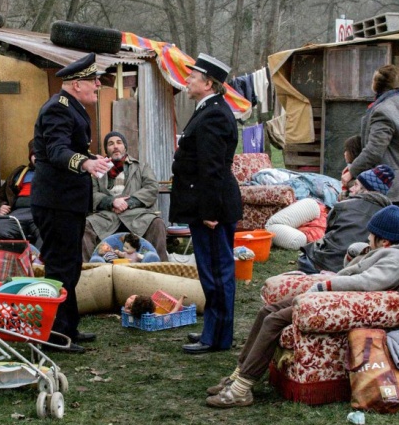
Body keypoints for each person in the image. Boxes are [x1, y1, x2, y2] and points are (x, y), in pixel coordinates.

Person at [206, 205, 399, 408]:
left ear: (384, 241)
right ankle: (238, 374)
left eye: (372, 234)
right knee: (266, 311)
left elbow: (368, 282)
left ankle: (242, 388)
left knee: (273, 320)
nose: (368, 237)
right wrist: (355, 254)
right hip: (332, 298)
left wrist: (327, 286)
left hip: (337, 304)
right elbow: (353, 271)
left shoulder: (396, 259)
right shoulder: (383, 252)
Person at [32, 53, 112, 354]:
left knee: (71, 265)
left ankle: (69, 326)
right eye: (94, 81)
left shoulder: (70, 107)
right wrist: (85, 164)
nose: (98, 85)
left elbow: (68, 148)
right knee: (60, 267)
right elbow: (56, 150)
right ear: (77, 84)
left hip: (67, 202)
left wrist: (90, 158)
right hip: (56, 202)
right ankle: (55, 335)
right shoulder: (58, 108)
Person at [170, 53, 242, 355]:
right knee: (210, 270)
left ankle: (218, 337)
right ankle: (214, 329)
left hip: (213, 208)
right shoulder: (208, 109)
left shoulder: (214, 114)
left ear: (208, 83)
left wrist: (209, 212)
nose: (187, 80)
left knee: (216, 272)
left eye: (192, 77)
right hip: (208, 204)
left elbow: (212, 168)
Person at [341, 65, 399, 218]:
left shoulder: (383, 110)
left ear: (376, 85)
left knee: (384, 232)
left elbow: (374, 150)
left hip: (396, 191)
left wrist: (352, 172)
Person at [82, 131, 169, 262]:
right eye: (111, 144)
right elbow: (91, 194)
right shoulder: (98, 169)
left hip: (137, 215)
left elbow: (151, 188)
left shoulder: (141, 167)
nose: (115, 146)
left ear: (125, 147)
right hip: (107, 216)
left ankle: (158, 268)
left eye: (119, 142)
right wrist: (112, 202)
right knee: (84, 226)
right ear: (106, 149)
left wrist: (129, 202)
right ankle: (91, 268)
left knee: (157, 223)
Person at [297, 164, 394, 274]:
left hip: (323, 264)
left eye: (356, 185)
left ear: (367, 190)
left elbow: (327, 231)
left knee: (309, 252)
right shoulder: (389, 216)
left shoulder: (343, 206)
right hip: (358, 269)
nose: (351, 188)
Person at [0, 139, 40, 245]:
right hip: (17, 214)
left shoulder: (54, 174)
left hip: (42, 214)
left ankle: (39, 256)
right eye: (34, 154)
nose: (37, 157)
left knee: (50, 234)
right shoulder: (19, 173)